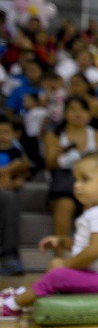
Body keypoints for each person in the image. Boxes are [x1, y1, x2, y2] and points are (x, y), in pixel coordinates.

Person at [2, 149, 98, 319]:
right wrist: (63, 241)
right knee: (56, 265)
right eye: (76, 179)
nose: (76, 185)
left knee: (58, 273)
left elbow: (94, 251)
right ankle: (23, 295)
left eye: (85, 179)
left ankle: (12, 306)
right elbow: (87, 246)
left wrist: (66, 265)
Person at [44, 95, 98, 245]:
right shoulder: (54, 135)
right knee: (64, 205)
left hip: (91, 187)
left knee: (93, 205)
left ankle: (91, 253)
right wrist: (57, 153)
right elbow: (49, 165)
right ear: (65, 113)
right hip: (63, 188)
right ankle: (60, 255)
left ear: (89, 113)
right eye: (73, 110)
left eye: (82, 110)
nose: (78, 114)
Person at [0, 116, 30, 275]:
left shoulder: (15, 151)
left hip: (6, 190)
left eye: (6, 132)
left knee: (8, 197)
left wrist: (12, 177)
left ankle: (9, 257)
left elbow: (22, 172)